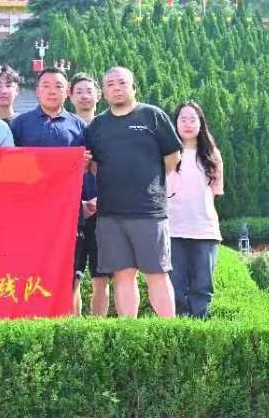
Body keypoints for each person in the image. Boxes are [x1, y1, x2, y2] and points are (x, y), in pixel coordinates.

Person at [86, 66, 182, 318]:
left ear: (133, 87)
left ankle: (169, 329)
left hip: (148, 211)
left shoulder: (153, 116)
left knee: (157, 273)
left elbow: (172, 156)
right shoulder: (98, 125)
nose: (116, 88)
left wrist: (150, 182)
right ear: (103, 92)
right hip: (111, 213)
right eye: (110, 84)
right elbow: (93, 165)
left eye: (122, 83)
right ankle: (130, 329)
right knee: (122, 275)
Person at [10, 66, 89, 316]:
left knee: (71, 276)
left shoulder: (78, 126)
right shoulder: (20, 124)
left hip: (68, 213)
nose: (52, 91)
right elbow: (9, 168)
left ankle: (71, 327)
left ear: (67, 92)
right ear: (37, 90)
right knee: (28, 272)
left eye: (58, 86)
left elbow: (88, 168)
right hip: (30, 213)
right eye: (46, 86)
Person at [167, 101, 224, 318]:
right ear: (175, 123)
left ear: (201, 124)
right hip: (173, 229)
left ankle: (200, 328)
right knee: (175, 287)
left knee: (202, 287)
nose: (188, 124)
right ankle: (180, 329)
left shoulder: (212, 156)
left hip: (204, 230)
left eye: (193, 119)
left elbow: (214, 193)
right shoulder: (167, 154)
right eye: (183, 119)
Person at [69, 72, 110, 317]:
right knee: (71, 278)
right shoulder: (66, 127)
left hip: (103, 213)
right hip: (71, 213)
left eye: (89, 91)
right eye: (79, 91)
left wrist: (101, 200)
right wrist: (77, 203)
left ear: (99, 95)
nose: (84, 96)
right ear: (70, 96)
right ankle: (74, 329)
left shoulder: (108, 127)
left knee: (101, 278)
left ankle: (97, 329)